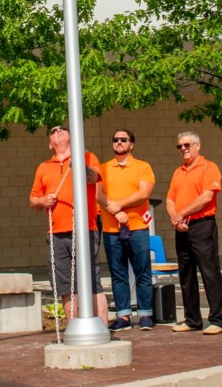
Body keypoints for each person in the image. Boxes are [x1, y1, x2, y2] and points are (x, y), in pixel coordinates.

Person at [29, 125, 109, 325]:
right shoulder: (44, 167)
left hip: (84, 229)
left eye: (63, 129)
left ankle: (101, 327)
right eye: (53, 131)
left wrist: (79, 164)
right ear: (50, 144)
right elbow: (33, 200)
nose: (58, 131)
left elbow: (93, 178)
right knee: (66, 285)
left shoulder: (88, 157)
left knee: (91, 281)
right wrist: (43, 200)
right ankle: (73, 327)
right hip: (56, 232)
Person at [166, 131, 222, 335]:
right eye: (180, 146)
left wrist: (181, 214)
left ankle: (217, 320)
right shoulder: (178, 172)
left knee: (209, 272)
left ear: (197, 146)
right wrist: (176, 219)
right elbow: (170, 199)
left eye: (187, 145)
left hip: (202, 225)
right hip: (181, 228)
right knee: (186, 274)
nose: (183, 149)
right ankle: (192, 319)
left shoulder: (209, 167)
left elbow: (206, 197)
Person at [96, 128, 156, 331]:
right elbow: (98, 194)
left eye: (124, 139)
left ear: (132, 144)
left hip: (137, 227)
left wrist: (119, 205)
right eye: (115, 140)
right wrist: (115, 212)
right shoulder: (103, 169)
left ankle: (146, 314)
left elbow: (143, 193)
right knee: (117, 273)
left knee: (142, 271)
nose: (119, 142)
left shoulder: (143, 166)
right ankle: (123, 316)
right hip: (112, 229)